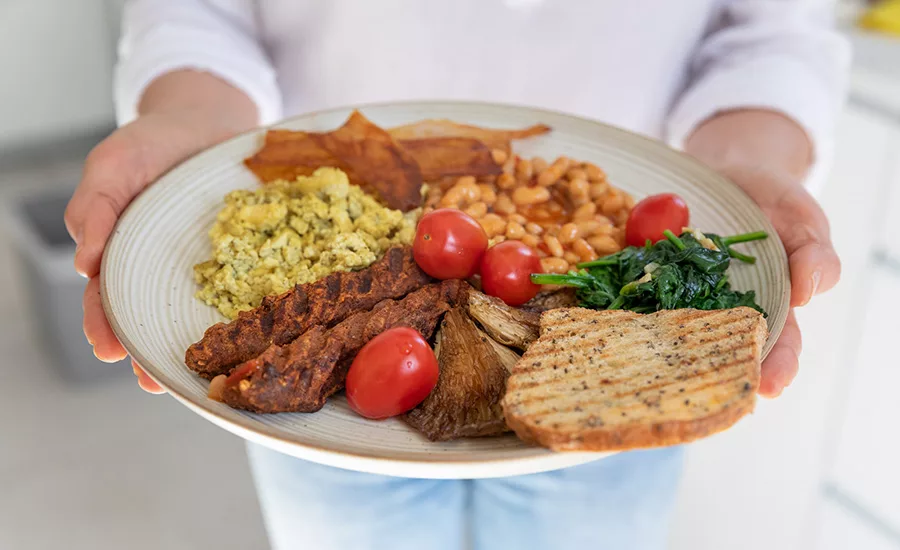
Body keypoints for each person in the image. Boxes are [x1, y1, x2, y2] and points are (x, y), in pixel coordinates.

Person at [64, 1, 849, 549]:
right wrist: (191, 118)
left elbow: (772, 33)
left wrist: (748, 160)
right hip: (330, 397)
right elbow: (200, 11)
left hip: (612, 364)